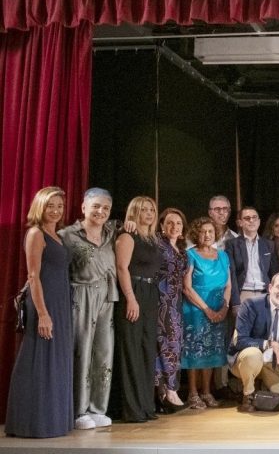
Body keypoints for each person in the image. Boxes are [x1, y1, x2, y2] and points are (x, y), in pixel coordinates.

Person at [5, 187, 73, 438]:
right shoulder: (35, 233)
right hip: (44, 303)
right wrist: (43, 314)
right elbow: (33, 277)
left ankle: (53, 421)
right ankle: (30, 423)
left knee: (55, 361)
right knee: (38, 360)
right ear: (40, 207)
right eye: (50, 206)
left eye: (59, 206)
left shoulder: (58, 235)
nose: (55, 211)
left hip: (61, 303)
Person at [59, 188, 116, 429]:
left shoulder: (112, 233)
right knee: (81, 351)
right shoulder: (67, 235)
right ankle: (79, 409)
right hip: (79, 295)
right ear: (83, 207)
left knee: (104, 352)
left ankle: (97, 407)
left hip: (106, 296)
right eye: (96, 206)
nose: (100, 211)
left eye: (105, 207)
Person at [113, 196, 162, 423]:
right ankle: (132, 408)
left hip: (151, 293)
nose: (149, 213)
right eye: (144, 210)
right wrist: (131, 298)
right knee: (131, 349)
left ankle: (145, 406)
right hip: (133, 291)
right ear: (134, 212)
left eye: (152, 209)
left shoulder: (152, 238)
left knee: (146, 350)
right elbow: (122, 268)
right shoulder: (127, 235)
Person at [181, 216, 232, 409]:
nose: (207, 235)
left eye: (210, 231)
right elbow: (187, 288)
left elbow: (228, 284)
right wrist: (207, 310)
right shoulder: (190, 255)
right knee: (195, 351)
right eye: (203, 231)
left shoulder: (223, 255)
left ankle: (207, 391)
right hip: (196, 308)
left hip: (219, 308)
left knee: (212, 350)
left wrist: (224, 308)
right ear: (196, 234)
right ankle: (193, 393)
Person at [232, 273, 279, 412]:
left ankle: (261, 396)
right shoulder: (251, 305)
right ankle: (248, 395)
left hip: (271, 363)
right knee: (254, 354)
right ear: (270, 288)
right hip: (247, 360)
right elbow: (240, 341)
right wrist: (270, 343)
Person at [155, 207, 188, 413]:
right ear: (161, 226)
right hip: (160, 302)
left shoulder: (182, 251)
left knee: (174, 345)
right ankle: (166, 392)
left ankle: (168, 390)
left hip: (176, 304)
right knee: (163, 345)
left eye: (178, 223)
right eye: (169, 222)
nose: (174, 226)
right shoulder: (158, 245)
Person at [226, 206, 278, 308]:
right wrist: (235, 302)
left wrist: (274, 296)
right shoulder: (232, 244)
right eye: (247, 218)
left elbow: (275, 274)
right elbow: (232, 275)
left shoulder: (269, 244)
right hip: (244, 294)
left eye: (254, 217)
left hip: (266, 294)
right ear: (240, 222)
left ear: (259, 221)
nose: (251, 220)